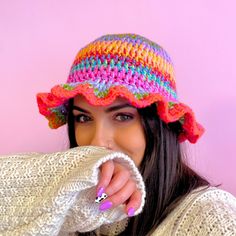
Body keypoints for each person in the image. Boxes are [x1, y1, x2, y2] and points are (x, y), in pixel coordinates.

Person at [1, 34, 236, 236]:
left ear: (160, 125)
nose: (97, 141)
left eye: (122, 116)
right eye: (83, 118)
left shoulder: (211, 214)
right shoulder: (74, 203)